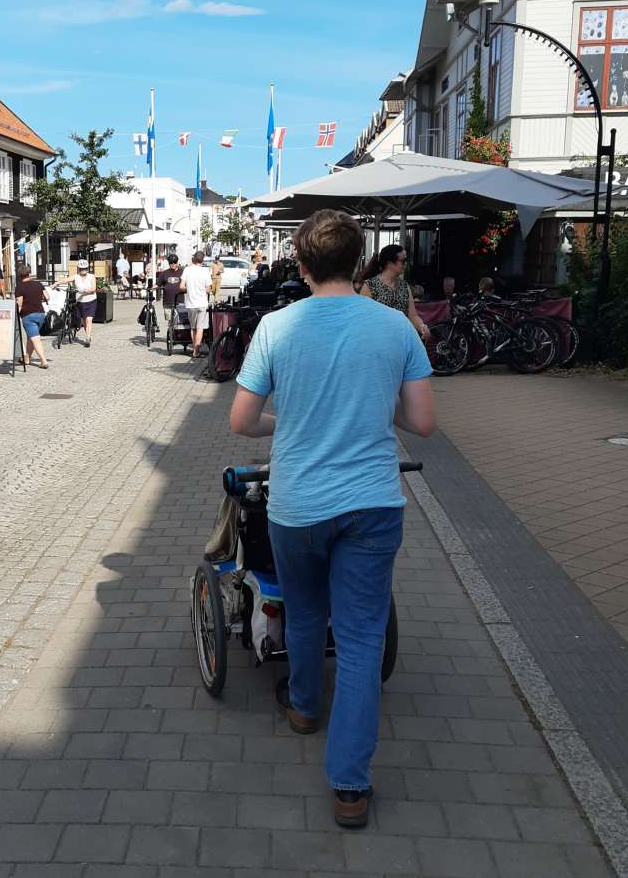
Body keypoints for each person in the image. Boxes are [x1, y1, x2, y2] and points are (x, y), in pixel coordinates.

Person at [230, 209, 435, 830]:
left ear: (301, 264)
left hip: (298, 505)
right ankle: (350, 785)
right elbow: (422, 422)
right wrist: (374, 407)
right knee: (362, 636)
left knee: (306, 609)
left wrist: (289, 423)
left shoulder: (275, 326)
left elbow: (242, 421)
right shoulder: (395, 326)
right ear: (358, 262)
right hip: (372, 503)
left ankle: (303, 706)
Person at [359, 244, 429, 340]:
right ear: (389, 263)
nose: (406, 264)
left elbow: (413, 315)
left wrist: (422, 326)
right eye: (403, 261)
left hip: (401, 340)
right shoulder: (369, 286)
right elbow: (362, 319)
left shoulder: (405, 286)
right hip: (378, 341)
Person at [54, 258, 98, 348]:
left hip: (91, 301)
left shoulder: (91, 276)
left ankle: (88, 338)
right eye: (81, 269)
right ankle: (88, 334)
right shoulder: (76, 276)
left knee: (89, 320)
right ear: (78, 269)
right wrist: (55, 284)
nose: (83, 271)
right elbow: (65, 280)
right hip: (80, 302)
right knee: (84, 321)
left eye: (85, 269)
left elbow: (94, 288)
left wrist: (85, 291)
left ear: (87, 269)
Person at [15, 263, 50, 369]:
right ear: (29, 273)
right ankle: (27, 358)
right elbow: (47, 297)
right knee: (31, 337)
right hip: (41, 314)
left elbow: (19, 304)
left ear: (20, 275)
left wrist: (16, 315)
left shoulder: (20, 287)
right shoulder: (38, 284)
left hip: (28, 316)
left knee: (35, 338)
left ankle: (43, 361)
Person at [179, 251, 213, 359]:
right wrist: (204, 290)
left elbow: (181, 287)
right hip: (202, 303)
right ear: (203, 260)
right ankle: (197, 350)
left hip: (191, 303)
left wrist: (189, 289)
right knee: (200, 328)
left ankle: (194, 349)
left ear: (193, 259)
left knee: (193, 327)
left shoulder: (187, 270)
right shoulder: (205, 271)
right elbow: (208, 289)